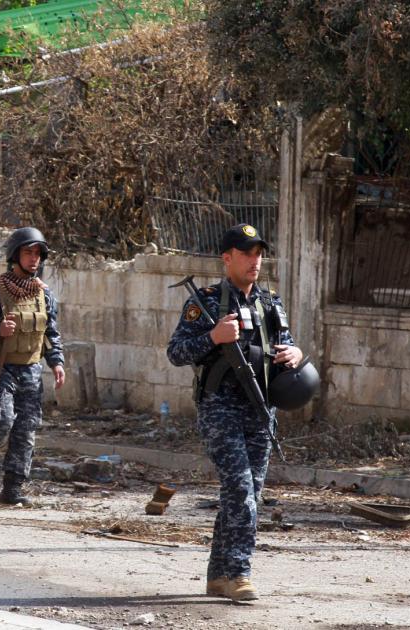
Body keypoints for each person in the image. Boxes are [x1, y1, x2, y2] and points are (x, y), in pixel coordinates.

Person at [166, 223, 301, 602]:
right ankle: (239, 573)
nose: (255, 261)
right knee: (241, 491)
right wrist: (213, 337)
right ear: (227, 258)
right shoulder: (206, 301)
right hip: (220, 410)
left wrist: (295, 354)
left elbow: (285, 344)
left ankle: (218, 576)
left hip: (261, 409)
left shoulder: (270, 302)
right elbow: (176, 352)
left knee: (247, 495)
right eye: (246, 253)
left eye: (259, 254)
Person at [0, 227, 65, 506]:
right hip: (1, 368)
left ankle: (13, 488)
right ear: (15, 255)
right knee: (0, 421)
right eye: (28, 252)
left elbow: (51, 333)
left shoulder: (44, 294)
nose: (34, 259)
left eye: (37, 254)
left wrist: (57, 362)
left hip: (31, 369)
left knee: (26, 428)